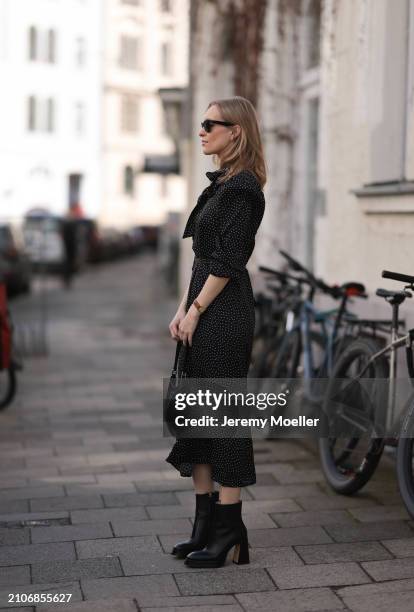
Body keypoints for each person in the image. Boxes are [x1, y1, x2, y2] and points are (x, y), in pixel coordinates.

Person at [165, 96, 266, 568]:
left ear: (236, 132)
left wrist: (198, 308)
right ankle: (205, 526)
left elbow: (228, 261)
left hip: (225, 315)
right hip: (204, 310)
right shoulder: (219, 185)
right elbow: (202, 258)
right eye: (201, 123)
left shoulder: (244, 189)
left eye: (211, 124)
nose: (202, 130)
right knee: (198, 414)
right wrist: (182, 308)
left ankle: (228, 530)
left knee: (223, 416)